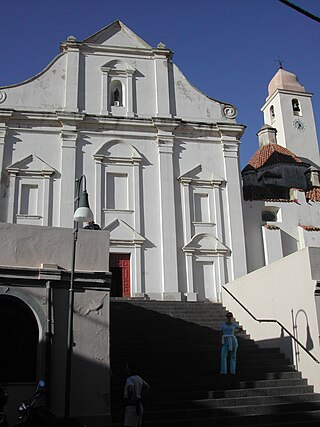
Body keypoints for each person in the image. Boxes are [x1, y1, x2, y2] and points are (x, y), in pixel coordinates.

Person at [123, 362, 150, 427]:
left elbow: (130, 388)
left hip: (132, 406)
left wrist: (130, 399)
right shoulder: (139, 378)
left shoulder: (130, 379)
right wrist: (141, 394)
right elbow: (147, 386)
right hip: (139, 405)